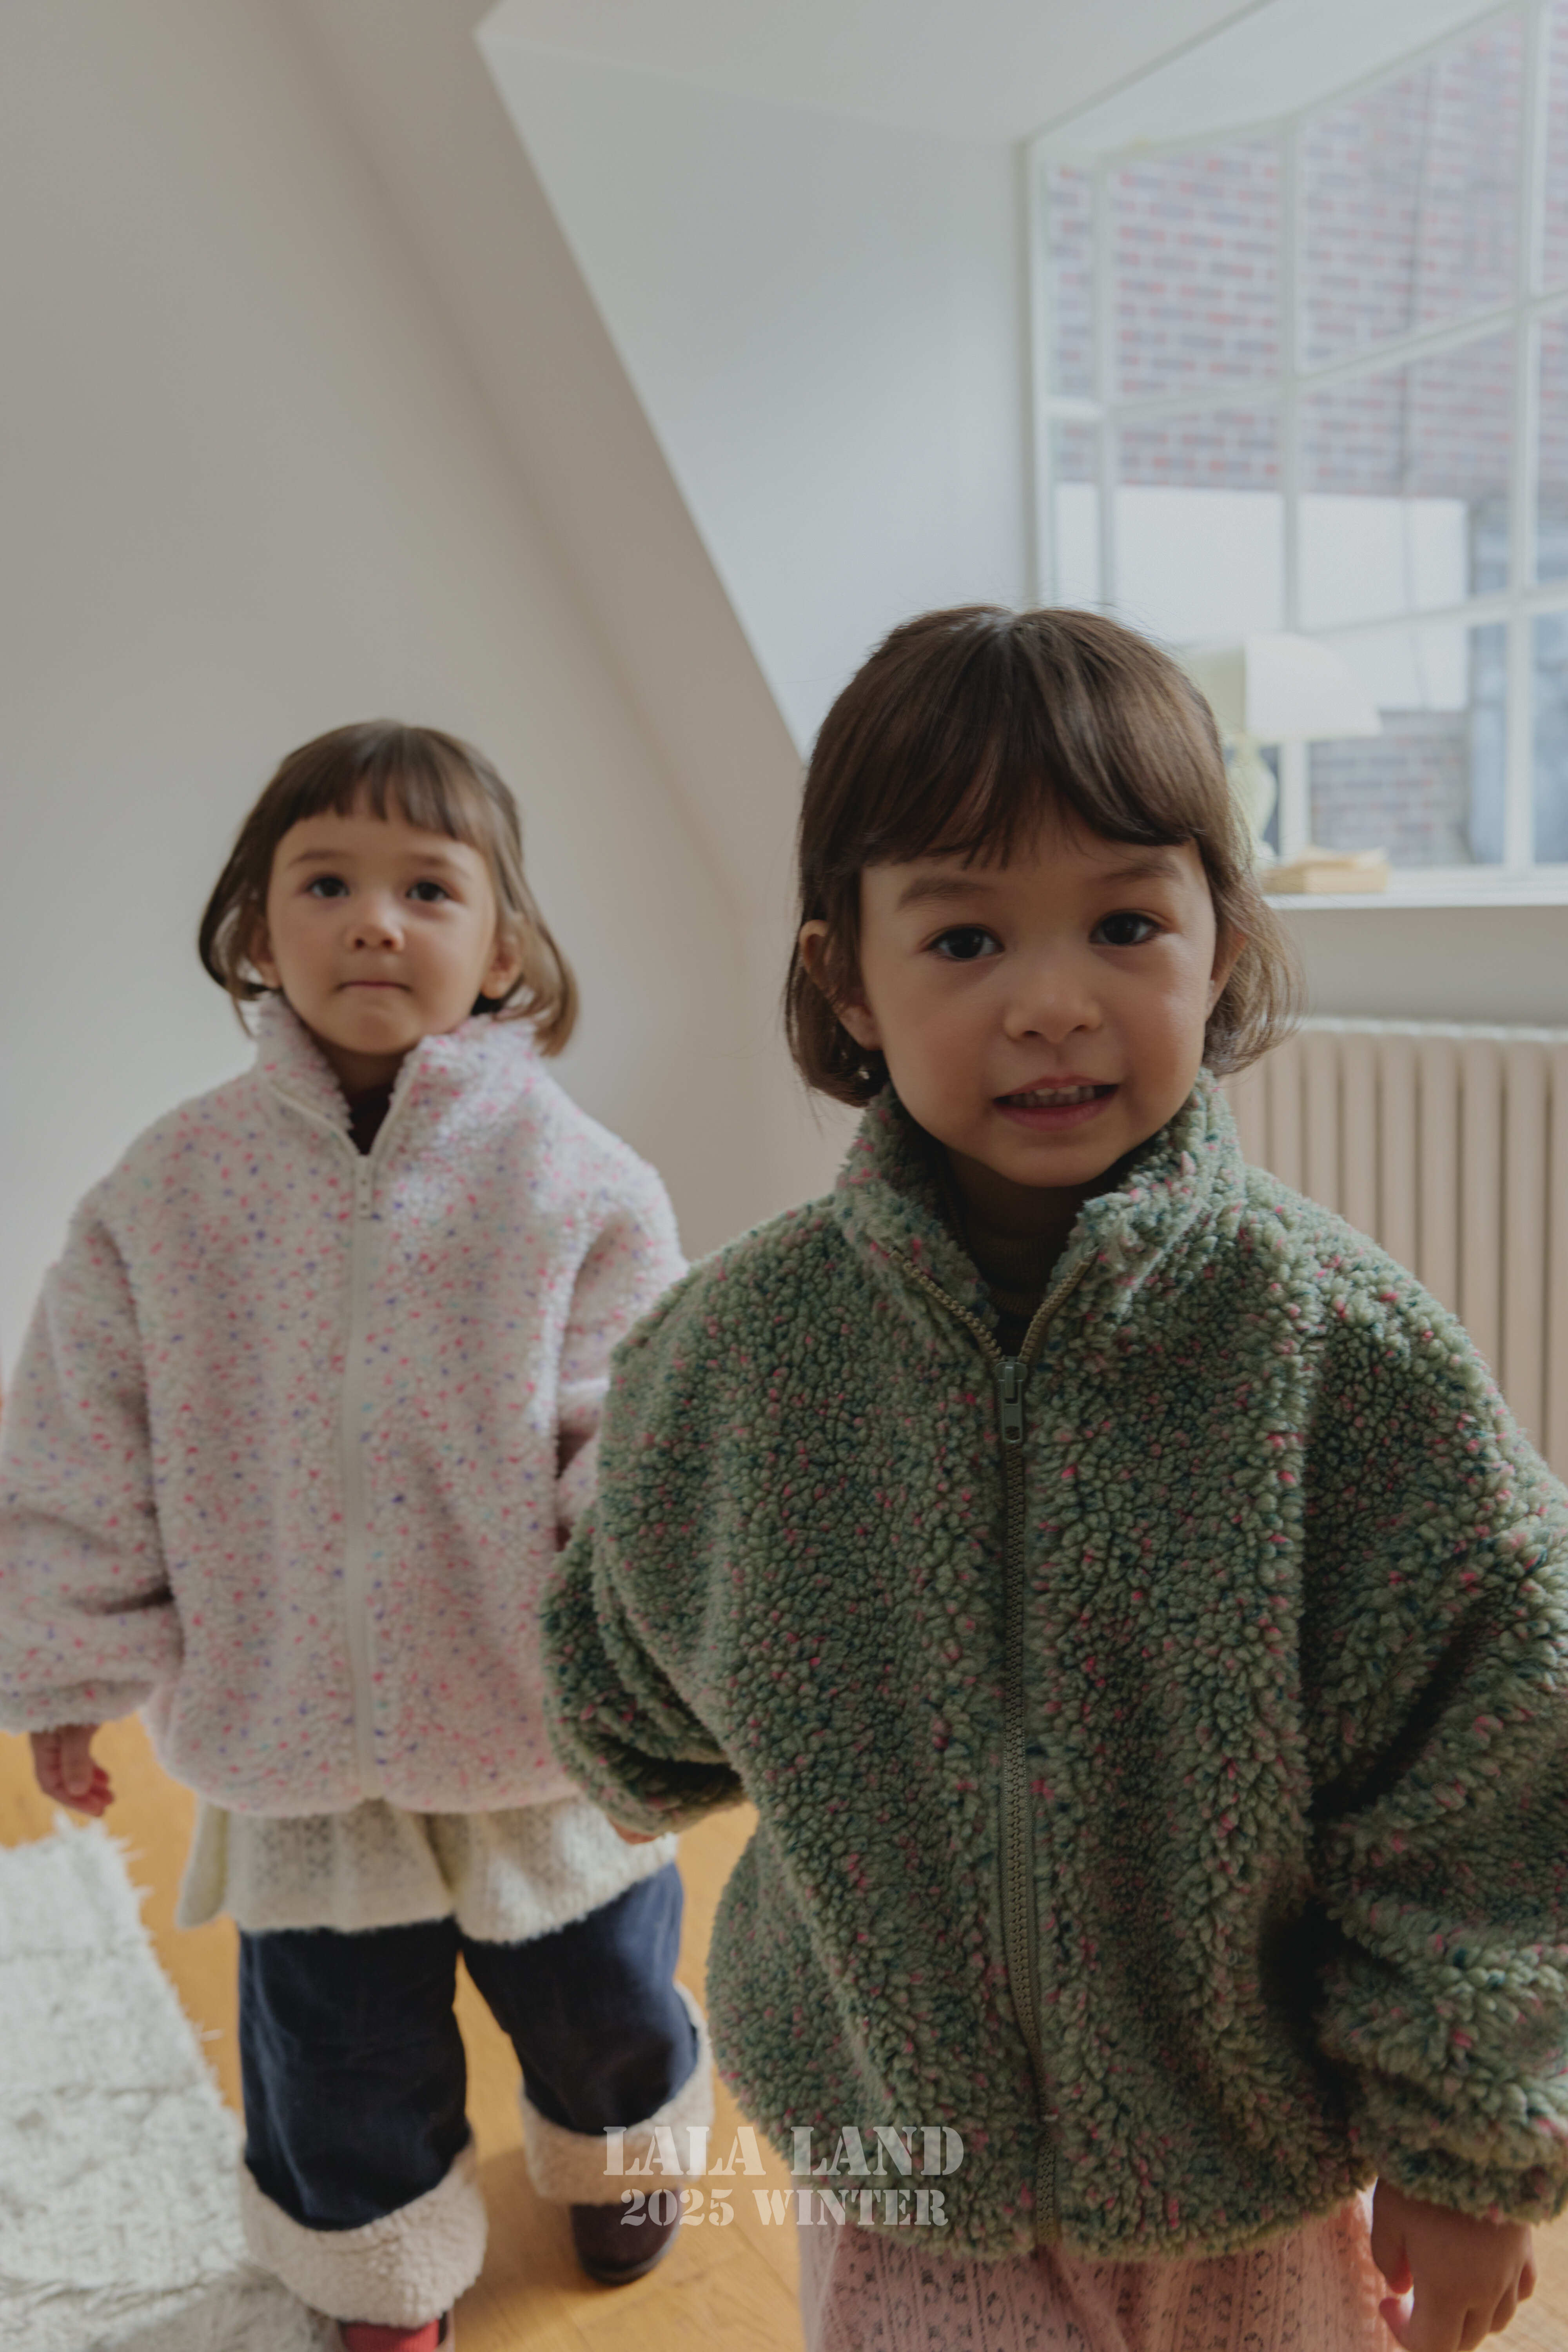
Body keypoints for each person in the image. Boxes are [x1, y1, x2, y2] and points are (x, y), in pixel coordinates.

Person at [541, 609, 1568, 2352]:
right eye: (963, 937)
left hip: (1245, 2159)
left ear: (1219, 945)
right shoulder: (743, 1352)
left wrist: (1465, 2149)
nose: (1052, 1001)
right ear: (847, 982)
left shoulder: (1342, 1357)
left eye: (1123, 924)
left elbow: (1493, 1769)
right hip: (899, 2158)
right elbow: (629, 1675)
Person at [0, 722, 710, 2352]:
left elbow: (640, 1453)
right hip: (292, 1730)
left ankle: (621, 2147)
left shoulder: (579, 1186)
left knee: (602, 1999)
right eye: (326, 884)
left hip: (531, 1733)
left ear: (503, 947)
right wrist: (67, 1671)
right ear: (259, 929)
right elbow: (81, 1442)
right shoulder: (168, 1194)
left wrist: (660, 1684)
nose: (374, 921)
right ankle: (376, 2260)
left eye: (426, 889)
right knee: (333, 2052)